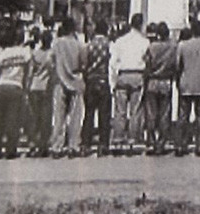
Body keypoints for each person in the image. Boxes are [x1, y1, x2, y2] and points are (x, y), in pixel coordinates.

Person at [110, 14, 149, 155]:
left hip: (123, 74)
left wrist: (114, 79)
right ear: (141, 25)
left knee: (120, 110)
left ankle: (118, 139)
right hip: (137, 74)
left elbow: (113, 62)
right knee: (135, 110)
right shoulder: (145, 42)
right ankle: (133, 139)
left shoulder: (120, 42)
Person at [0, 26, 31, 159]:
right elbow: (28, 73)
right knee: (13, 120)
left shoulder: (2, 53)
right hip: (16, 86)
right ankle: (10, 149)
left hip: (2, 86)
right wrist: (26, 87)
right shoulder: (25, 53)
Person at [175, 18, 200, 156]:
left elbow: (177, 65)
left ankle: (180, 145)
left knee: (183, 115)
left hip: (186, 83)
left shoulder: (182, 45)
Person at [50, 18, 87, 158]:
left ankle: (57, 146)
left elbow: (50, 60)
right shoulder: (79, 45)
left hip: (60, 80)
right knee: (75, 116)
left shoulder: (57, 43)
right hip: (76, 80)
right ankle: (73, 145)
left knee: (59, 115)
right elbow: (83, 63)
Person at [143, 22, 178, 155]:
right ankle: (161, 143)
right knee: (164, 114)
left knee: (151, 113)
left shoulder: (152, 47)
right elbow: (175, 64)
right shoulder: (173, 47)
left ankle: (151, 141)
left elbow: (147, 63)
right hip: (166, 82)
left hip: (152, 81)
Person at [82, 19, 113, 156]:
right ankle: (103, 144)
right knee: (104, 114)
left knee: (89, 114)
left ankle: (86, 144)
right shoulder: (109, 45)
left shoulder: (88, 45)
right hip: (103, 79)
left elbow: (84, 63)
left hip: (91, 80)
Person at [27, 30, 54, 157]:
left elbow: (30, 71)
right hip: (45, 87)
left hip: (34, 86)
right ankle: (43, 145)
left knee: (34, 117)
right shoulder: (51, 55)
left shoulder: (35, 54)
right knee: (45, 118)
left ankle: (33, 144)